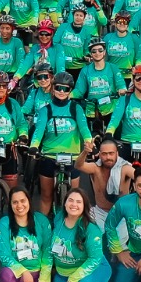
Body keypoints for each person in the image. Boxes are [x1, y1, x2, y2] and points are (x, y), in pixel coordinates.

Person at [28, 73, 92, 215]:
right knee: (46, 197)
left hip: (72, 156)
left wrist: (88, 142)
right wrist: (34, 146)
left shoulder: (76, 108)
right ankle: (43, 227)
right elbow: (39, 131)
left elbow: (84, 128)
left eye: (66, 89)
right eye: (58, 88)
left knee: (74, 196)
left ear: (70, 90)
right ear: (53, 88)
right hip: (49, 155)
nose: (62, 92)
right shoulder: (46, 110)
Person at [46, 188, 109, 282]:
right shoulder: (59, 219)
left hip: (93, 268)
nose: (74, 204)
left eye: (78, 202)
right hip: (63, 273)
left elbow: (95, 259)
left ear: (84, 206)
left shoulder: (91, 229)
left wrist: (74, 279)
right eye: (71, 200)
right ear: (64, 203)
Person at [0, 186, 53, 282]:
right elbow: (4, 254)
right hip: (17, 274)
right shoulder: (5, 223)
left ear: (29, 201)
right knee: (6, 275)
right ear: (10, 205)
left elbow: (48, 252)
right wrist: (23, 271)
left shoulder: (42, 221)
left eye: (23, 201)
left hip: (38, 273)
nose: (19, 205)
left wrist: (44, 280)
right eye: (15, 202)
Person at [77, 136, 134, 226]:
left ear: (117, 154)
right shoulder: (95, 168)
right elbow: (78, 165)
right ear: (99, 155)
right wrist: (85, 152)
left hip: (122, 214)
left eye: (111, 153)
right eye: (104, 154)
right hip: (100, 213)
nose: (108, 157)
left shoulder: (125, 168)